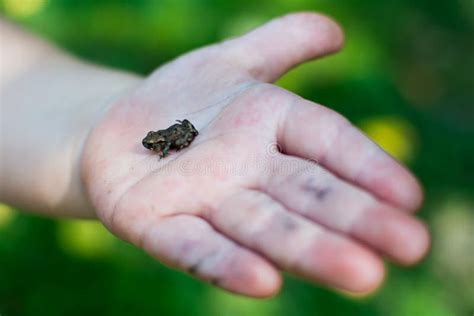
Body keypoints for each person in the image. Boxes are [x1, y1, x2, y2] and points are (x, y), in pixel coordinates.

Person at [0, 12, 429, 298]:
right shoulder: (159, 142)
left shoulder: (164, 142)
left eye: (150, 147)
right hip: (177, 130)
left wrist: (93, 125)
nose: (151, 149)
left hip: (180, 131)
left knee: (180, 135)